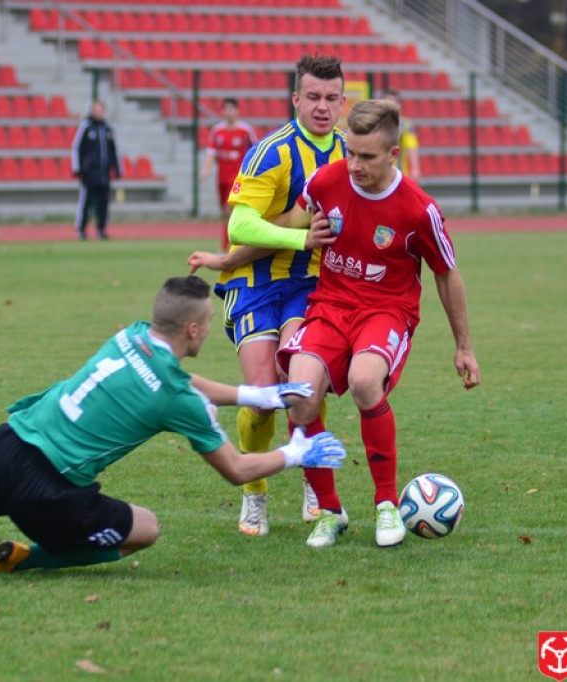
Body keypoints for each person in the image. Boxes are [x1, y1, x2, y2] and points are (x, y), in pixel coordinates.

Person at [0, 276, 347, 573]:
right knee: (143, 529)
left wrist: (256, 392)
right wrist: (300, 451)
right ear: (195, 332)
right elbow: (238, 468)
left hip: (4, 442)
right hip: (45, 485)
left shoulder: (128, 336)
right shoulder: (174, 394)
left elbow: (178, 382)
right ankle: (26, 558)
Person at [270, 99, 480, 548]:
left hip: (386, 311)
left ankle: (387, 505)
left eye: (366, 157)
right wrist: (241, 243)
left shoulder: (417, 209)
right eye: (350, 152)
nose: (354, 165)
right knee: (299, 396)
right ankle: (329, 512)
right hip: (330, 305)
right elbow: (294, 221)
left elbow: (446, 273)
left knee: (366, 382)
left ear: (392, 155)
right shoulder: (326, 181)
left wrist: (464, 346)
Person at [187, 55, 347, 537]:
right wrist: (300, 238)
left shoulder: (349, 154)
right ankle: (254, 493)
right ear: (296, 99)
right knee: (260, 397)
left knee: (301, 381)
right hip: (256, 283)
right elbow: (239, 224)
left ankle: (312, 476)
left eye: (331, 98)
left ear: (343, 102)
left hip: (312, 284)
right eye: (313, 97)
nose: (322, 107)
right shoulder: (271, 151)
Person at [200, 98, 258, 251]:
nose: (228, 112)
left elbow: (257, 152)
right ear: (222, 111)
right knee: (225, 213)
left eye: (231, 109)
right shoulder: (217, 131)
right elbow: (211, 153)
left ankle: (227, 246)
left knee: (229, 210)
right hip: (222, 178)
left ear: (237, 111)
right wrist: (206, 169)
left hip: (237, 179)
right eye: (225, 109)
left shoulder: (245, 131)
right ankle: (234, 243)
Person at [71, 101, 121, 241]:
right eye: (96, 110)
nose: (98, 112)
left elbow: (114, 150)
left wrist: (116, 168)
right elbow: (77, 148)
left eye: (100, 110)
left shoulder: (107, 129)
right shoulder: (86, 127)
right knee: (86, 203)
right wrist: (78, 169)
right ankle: (81, 229)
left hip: (104, 174)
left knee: (103, 204)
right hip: (89, 174)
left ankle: (101, 229)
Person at [381, 90, 422, 181]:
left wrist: (415, 169)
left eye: (393, 102)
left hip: (398, 174)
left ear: (399, 105)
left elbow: (412, 147)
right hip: (379, 173)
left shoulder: (405, 125)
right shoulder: (376, 124)